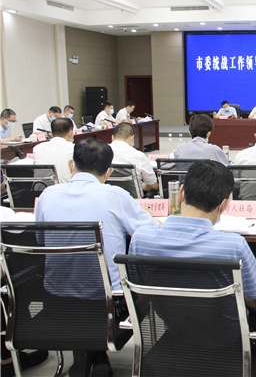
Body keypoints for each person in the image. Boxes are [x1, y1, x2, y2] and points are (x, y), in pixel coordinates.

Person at [129, 160, 256, 376]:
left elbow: (142, 294)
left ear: (181, 193)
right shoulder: (232, 246)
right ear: (224, 205)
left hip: (177, 334)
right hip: (228, 344)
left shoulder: (142, 239)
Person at [35, 138, 158, 377]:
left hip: (58, 301)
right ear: (109, 171)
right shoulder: (116, 196)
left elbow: (41, 240)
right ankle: (97, 355)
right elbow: (149, 234)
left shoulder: (48, 195)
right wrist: (143, 213)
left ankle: (89, 355)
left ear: (71, 165)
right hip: (110, 306)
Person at [109, 122, 159, 192]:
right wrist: (142, 185)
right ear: (132, 138)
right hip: (132, 197)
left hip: (107, 196)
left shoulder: (100, 153)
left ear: (112, 137)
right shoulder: (139, 155)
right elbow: (153, 186)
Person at [32, 117, 74, 184]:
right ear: (71, 133)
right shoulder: (74, 148)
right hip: (66, 188)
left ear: (51, 133)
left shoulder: (37, 148)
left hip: (42, 189)